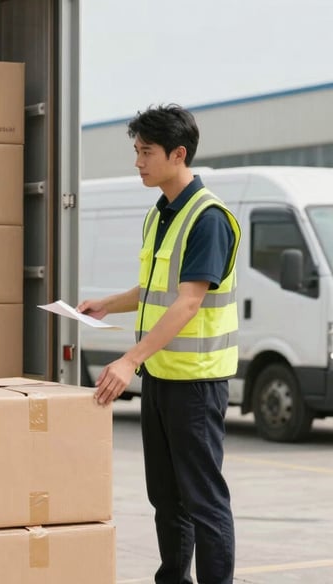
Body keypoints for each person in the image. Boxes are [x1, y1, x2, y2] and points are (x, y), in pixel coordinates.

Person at [78, 105, 240, 584]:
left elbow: (188, 303)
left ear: (178, 154)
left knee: (204, 500)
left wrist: (129, 360)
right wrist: (107, 302)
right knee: (166, 497)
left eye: (146, 152)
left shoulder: (207, 218)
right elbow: (153, 290)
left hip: (196, 383)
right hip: (163, 379)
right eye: (136, 151)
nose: (138, 163)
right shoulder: (161, 213)